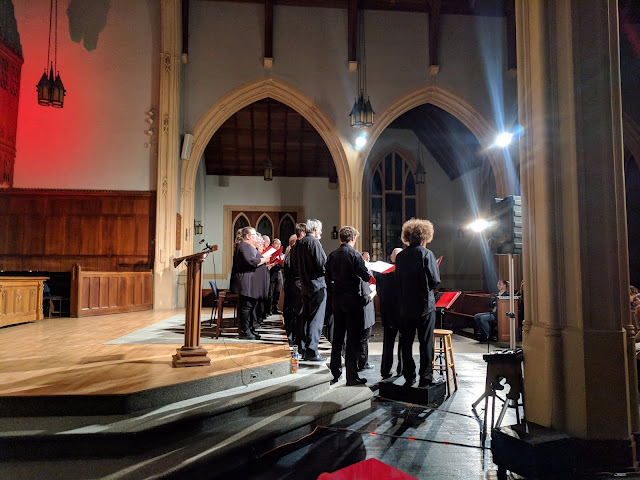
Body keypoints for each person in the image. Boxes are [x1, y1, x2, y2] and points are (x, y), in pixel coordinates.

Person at [396, 218, 441, 388]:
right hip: (424, 305)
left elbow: (398, 280)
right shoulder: (426, 254)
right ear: (425, 236)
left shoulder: (400, 256)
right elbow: (435, 281)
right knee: (425, 342)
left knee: (406, 342)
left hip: (406, 306)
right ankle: (426, 377)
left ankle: (409, 375)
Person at [326, 226, 371, 385]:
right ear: (353, 238)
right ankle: (351, 376)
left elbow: (327, 278)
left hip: (337, 301)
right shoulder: (355, 255)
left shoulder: (332, 255)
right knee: (352, 339)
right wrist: (368, 269)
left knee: (337, 338)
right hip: (353, 302)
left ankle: (335, 372)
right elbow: (365, 276)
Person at [230, 226, 272, 340]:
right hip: (246, 283)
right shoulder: (244, 246)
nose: (256, 238)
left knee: (250, 307)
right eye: (254, 236)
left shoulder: (249, 247)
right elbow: (251, 261)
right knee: (247, 307)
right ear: (248, 236)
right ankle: (245, 332)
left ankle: (250, 330)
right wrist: (265, 259)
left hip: (250, 283)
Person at [295, 219, 327, 362]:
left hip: (305, 285)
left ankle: (304, 348)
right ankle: (312, 351)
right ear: (314, 229)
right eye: (320, 229)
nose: (321, 231)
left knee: (306, 318)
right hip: (317, 285)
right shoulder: (314, 242)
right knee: (316, 319)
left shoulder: (299, 243)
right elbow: (321, 265)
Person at [375, 247, 403, 379]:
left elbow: (379, 291)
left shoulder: (383, 273)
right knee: (403, 343)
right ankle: (401, 369)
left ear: (392, 258)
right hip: (403, 312)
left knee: (388, 343)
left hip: (388, 312)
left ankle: (385, 370)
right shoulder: (405, 272)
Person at [358, 251, 376, 372]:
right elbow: (366, 296)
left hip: (359, 308)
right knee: (364, 337)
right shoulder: (362, 275)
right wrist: (374, 292)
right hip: (364, 309)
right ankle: (363, 363)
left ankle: (361, 361)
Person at [268, 238, 284, 314]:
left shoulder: (281, 254)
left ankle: (275, 308)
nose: (278, 245)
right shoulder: (269, 253)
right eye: (276, 244)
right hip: (271, 274)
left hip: (279, 273)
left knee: (278, 291)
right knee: (271, 292)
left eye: (279, 244)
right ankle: (269, 309)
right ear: (273, 244)